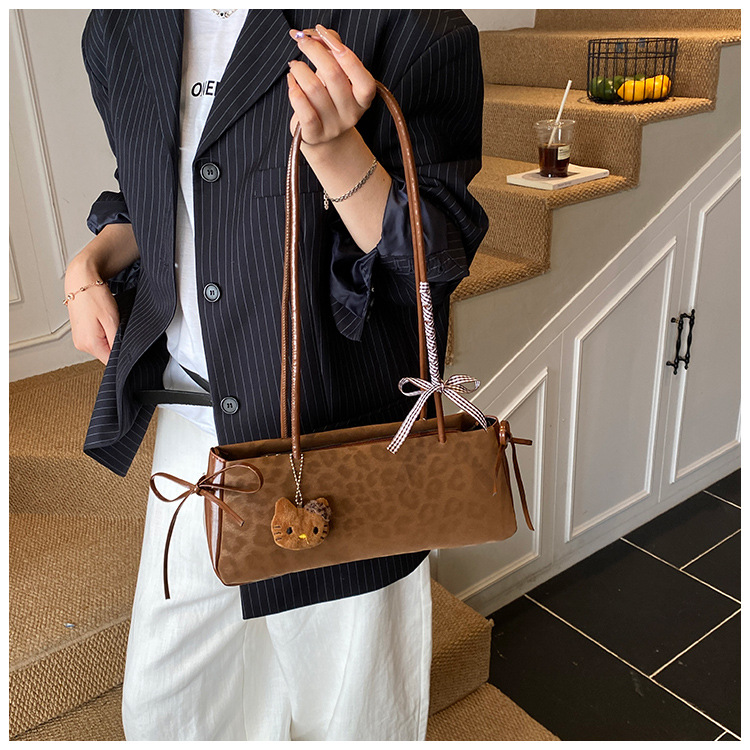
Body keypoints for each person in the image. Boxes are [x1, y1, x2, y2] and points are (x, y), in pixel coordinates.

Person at [66, 9, 488, 741]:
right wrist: (88, 264)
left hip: (339, 435)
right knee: (171, 709)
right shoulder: (119, 27)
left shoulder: (404, 21)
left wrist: (337, 151)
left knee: (349, 714)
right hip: (195, 426)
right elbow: (153, 192)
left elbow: (432, 260)